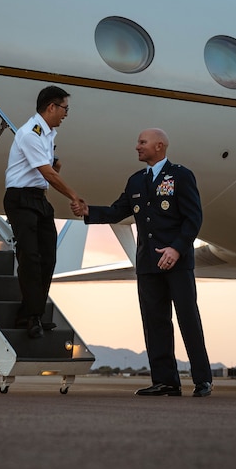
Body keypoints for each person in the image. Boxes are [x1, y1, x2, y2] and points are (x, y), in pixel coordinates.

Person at [74, 129, 214, 397]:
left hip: (177, 262)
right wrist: (89, 211)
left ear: (159, 146)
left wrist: (177, 249)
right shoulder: (136, 181)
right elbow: (118, 211)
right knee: (154, 322)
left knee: (188, 320)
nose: (136, 146)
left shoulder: (181, 176)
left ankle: (202, 380)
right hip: (148, 263)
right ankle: (165, 381)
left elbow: (193, 218)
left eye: (142, 142)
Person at [4, 85, 83, 339]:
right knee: (30, 256)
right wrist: (73, 195)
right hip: (20, 198)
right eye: (65, 108)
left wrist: (54, 166)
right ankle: (32, 316)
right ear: (51, 107)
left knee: (48, 257)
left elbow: (50, 170)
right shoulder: (31, 133)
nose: (66, 114)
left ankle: (32, 313)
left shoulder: (48, 133)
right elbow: (46, 172)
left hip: (38, 198)